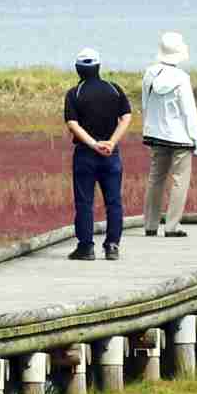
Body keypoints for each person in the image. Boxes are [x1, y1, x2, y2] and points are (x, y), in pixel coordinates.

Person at [61, 47, 132, 262]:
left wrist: (93, 144)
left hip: (85, 154)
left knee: (84, 202)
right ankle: (112, 246)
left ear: (78, 69)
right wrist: (111, 142)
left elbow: (72, 124)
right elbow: (127, 116)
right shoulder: (114, 89)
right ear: (99, 67)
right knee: (114, 202)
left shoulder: (75, 93)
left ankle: (86, 247)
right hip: (111, 154)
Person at [138, 31, 197, 238]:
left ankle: (150, 224)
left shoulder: (150, 73)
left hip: (156, 134)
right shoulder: (181, 78)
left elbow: (145, 104)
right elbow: (189, 112)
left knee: (155, 179)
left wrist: (149, 127)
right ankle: (172, 226)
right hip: (180, 137)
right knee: (179, 181)